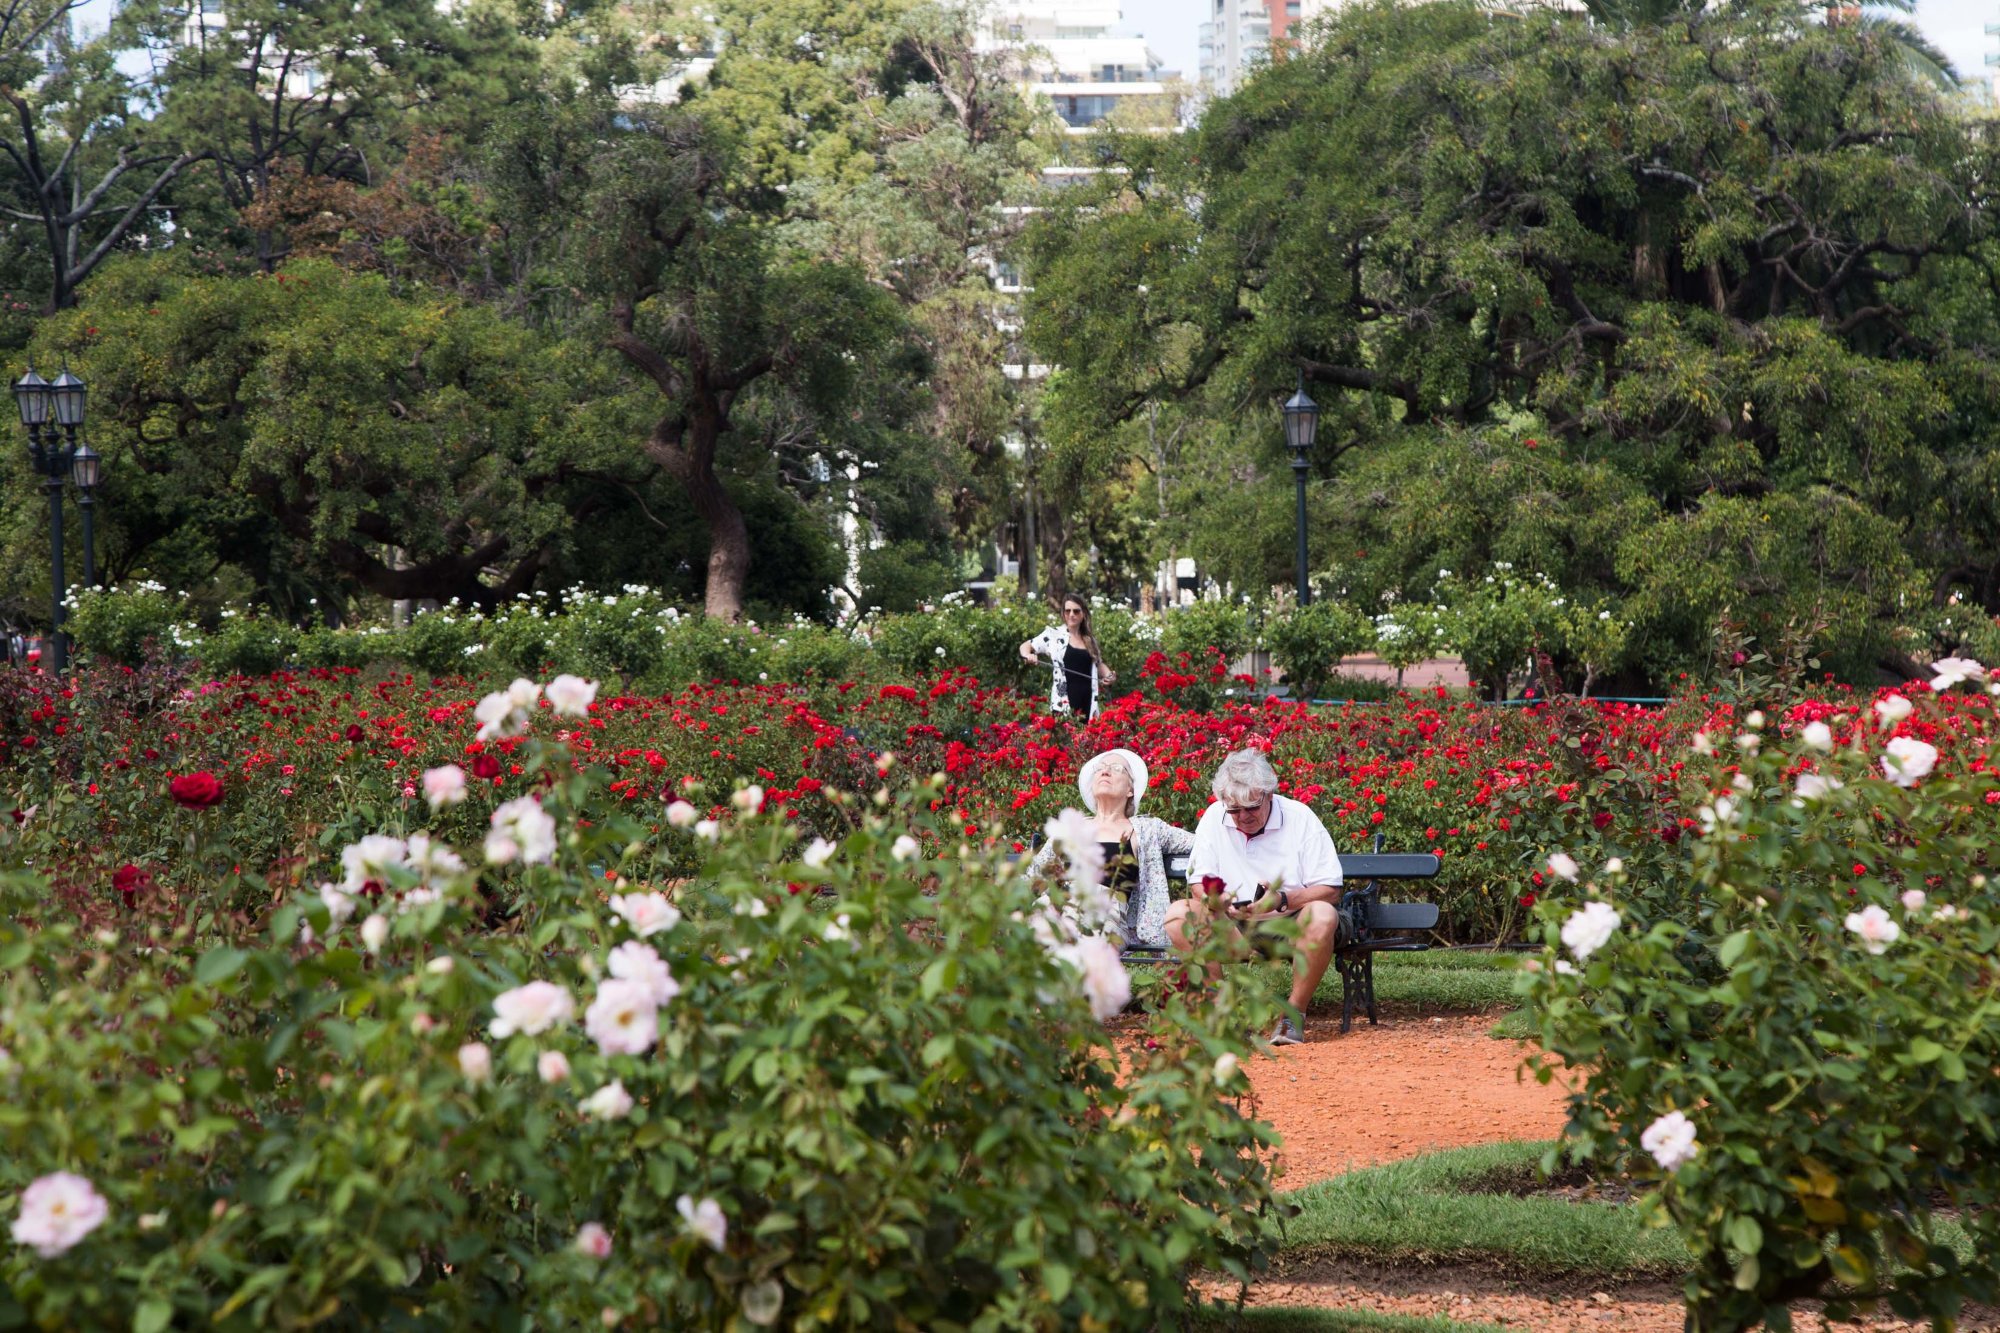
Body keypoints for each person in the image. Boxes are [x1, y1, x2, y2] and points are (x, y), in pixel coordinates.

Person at [1166, 748, 1343, 1046]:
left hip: (1288, 925)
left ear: (1269, 794)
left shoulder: (1299, 817)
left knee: (1324, 914)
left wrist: (1283, 900)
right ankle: (1224, 1013)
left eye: (1251, 808)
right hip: (1233, 926)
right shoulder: (1215, 816)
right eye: (1234, 810)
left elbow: (1331, 888)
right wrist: (1217, 900)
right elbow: (1198, 881)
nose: (1243, 817)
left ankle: (1293, 1013)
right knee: (1178, 914)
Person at [1029, 748, 1191, 949]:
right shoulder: (1070, 829)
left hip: (1107, 917)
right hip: (1059, 908)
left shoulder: (1147, 829)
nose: (1105, 772)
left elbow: (1201, 843)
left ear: (1130, 790)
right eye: (1100, 769)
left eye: (1116, 768)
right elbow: (1033, 874)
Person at [1019, 595, 1116, 720]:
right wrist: (1028, 655)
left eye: (1076, 611)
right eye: (1067, 611)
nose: (1071, 614)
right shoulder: (1053, 635)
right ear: (1063, 613)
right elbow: (1026, 646)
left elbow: (1098, 664)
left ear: (1084, 614)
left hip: (1088, 702)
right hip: (1062, 704)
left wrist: (1109, 676)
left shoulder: (1090, 640)